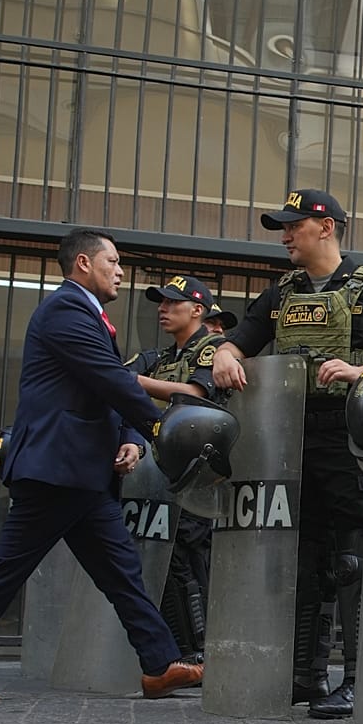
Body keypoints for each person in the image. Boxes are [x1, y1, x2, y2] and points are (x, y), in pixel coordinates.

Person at [0, 228, 203, 705]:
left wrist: (130, 437)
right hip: (56, 469)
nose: (120, 269)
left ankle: (158, 665)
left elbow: (99, 389)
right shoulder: (65, 310)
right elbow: (108, 379)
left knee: (121, 573)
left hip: (83, 474)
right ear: (84, 264)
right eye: (111, 260)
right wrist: (159, 429)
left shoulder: (89, 315)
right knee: (6, 570)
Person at [211, 189, 363, 719]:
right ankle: (304, 672)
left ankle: (361, 677)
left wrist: (359, 373)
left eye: (292, 226)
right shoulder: (281, 292)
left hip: (353, 434)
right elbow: (239, 340)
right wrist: (225, 358)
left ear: (325, 228)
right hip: (292, 438)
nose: (284, 236)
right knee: (305, 559)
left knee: (351, 561)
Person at [135, 274, 230, 663]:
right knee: (166, 559)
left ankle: (201, 649)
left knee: (190, 558)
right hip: (157, 472)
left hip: (198, 472)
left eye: (173, 303)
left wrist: (136, 382)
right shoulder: (160, 357)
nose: (163, 308)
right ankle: (178, 646)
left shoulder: (213, 348)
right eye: (161, 302)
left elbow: (196, 392)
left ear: (197, 310)